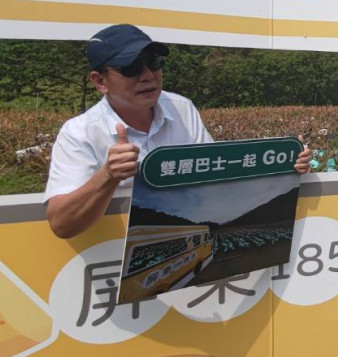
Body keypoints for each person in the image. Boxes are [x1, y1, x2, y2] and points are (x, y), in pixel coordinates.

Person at [45, 24, 311, 239]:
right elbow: (61, 224)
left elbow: (214, 179)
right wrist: (108, 176)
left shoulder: (182, 108)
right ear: (100, 81)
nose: (148, 75)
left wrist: (280, 163)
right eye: (132, 68)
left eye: (154, 62)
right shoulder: (79, 133)